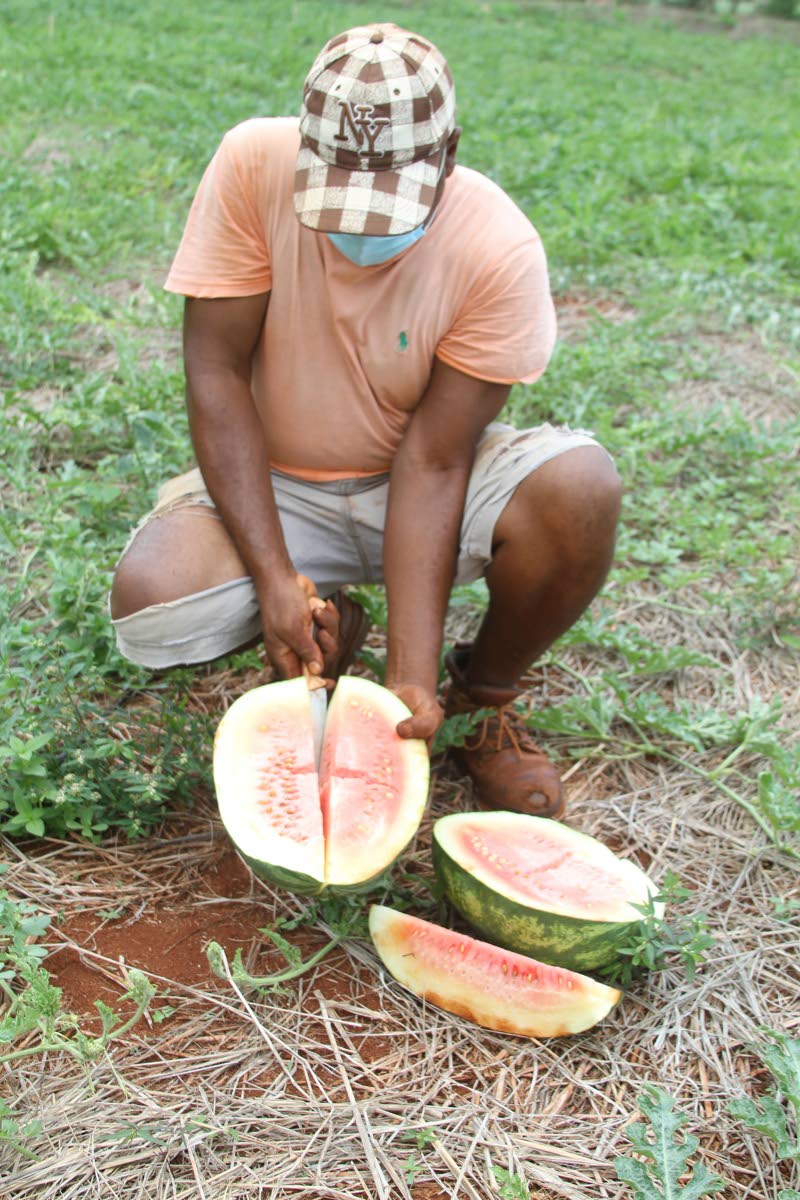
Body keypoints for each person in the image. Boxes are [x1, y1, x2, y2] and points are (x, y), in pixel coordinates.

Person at [109, 22, 621, 819]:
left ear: (447, 155)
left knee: (580, 490)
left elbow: (435, 459)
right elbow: (217, 375)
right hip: (279, 481)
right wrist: (275, 579)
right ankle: (323, 623)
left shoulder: (498, 248)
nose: (359, 231)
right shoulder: (252, 165)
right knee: (152, 604)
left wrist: (408, 676)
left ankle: (483, 695)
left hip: (418, 483)